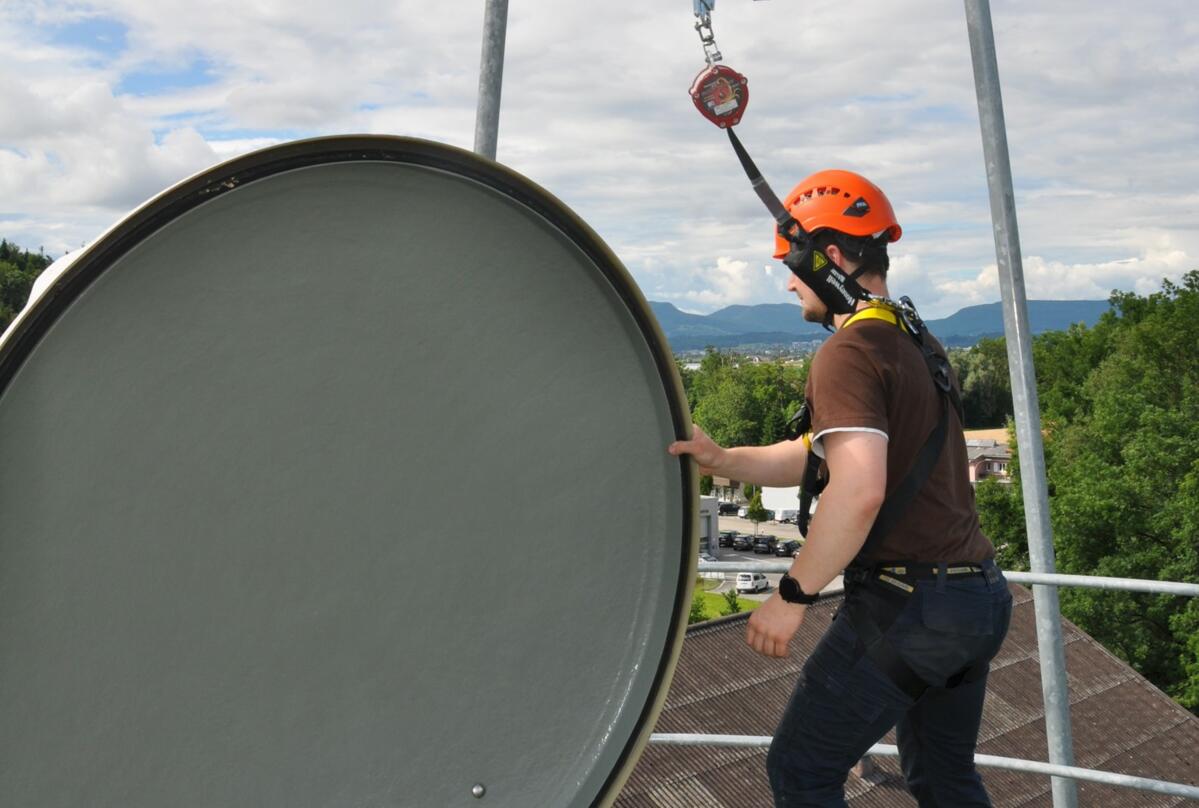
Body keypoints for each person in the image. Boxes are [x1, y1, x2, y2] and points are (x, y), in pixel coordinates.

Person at [668, 169, 1012, 807]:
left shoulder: (849, 352)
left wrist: (792, 595)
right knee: (943, 778)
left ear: (828, 258)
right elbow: (822, 457)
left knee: (802, 771)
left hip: (908, 604)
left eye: (792, 263)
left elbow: (858, 491)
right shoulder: (915, 340)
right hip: (977, 600)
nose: (788, 280)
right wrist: (722, 459)